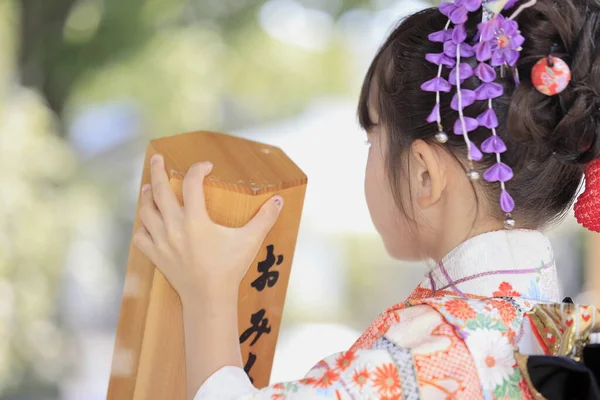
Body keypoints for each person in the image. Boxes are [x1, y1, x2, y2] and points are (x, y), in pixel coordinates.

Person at [132, 0, 600, 398]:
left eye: (371, 139)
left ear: (423, 174)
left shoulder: (430, 355)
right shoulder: (556, 332)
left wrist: (207, 293)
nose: (368, 159)